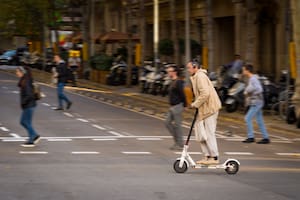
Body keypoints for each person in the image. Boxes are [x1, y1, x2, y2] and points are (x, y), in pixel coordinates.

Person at [186, 61, 222, 165]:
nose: (188, 70)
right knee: (201, 133)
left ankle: (214, 158)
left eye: (189, 68)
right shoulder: (196, 76)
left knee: (209, 133)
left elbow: (205, 93)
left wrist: (195, 104)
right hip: (204, 109)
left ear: (195, 67)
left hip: (210, 108)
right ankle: (207, 156)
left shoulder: (200, 76)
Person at [242, 64, 270, 144]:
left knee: (247, 118)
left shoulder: (253, 79)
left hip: (257, 102)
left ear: (247, 70)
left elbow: (259, 89)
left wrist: (250, 92)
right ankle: (266, 138)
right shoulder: (252, 78)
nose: (243, 71)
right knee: (259, 120)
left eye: (244, 70)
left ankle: (251, 137)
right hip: (257, 102)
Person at [16, 66, 40, 147]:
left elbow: (29, 95)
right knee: (26, 122)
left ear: (22, 72)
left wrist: (23, 102)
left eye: (18, 72)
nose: (17, 73)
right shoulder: (25, 80)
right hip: (30, 104)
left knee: (24, 122)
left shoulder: (26, 82)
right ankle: (32, 137)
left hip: (29, 105)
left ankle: (33, 137)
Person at [165, 65, 187, 150]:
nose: (168, 73)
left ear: (174, 72)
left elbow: (182, 94)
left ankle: (180, 144)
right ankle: (177, 141)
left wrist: (185, 105)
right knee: (167, 123)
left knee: (178, 125)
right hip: (172, 106)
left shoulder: (179, 82)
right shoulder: (172, 81)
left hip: (177, 106)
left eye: (170, 71)